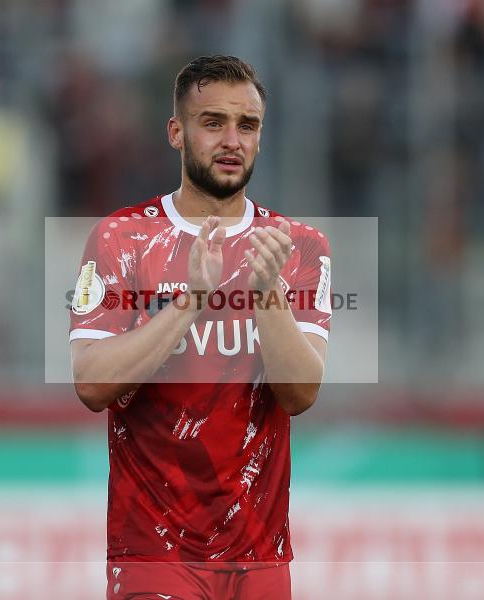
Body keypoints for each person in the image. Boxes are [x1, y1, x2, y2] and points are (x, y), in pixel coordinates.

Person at [69, 55, 331, 600]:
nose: (231, 139)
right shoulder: (122, 239)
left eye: (247, 125)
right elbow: (92, 384)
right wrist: (190, 303)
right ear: (176, 132)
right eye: (213, 123)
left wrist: (267, 296)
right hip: (153, 551)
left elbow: (301, 392)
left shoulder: (297, 247)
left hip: (260, 556)